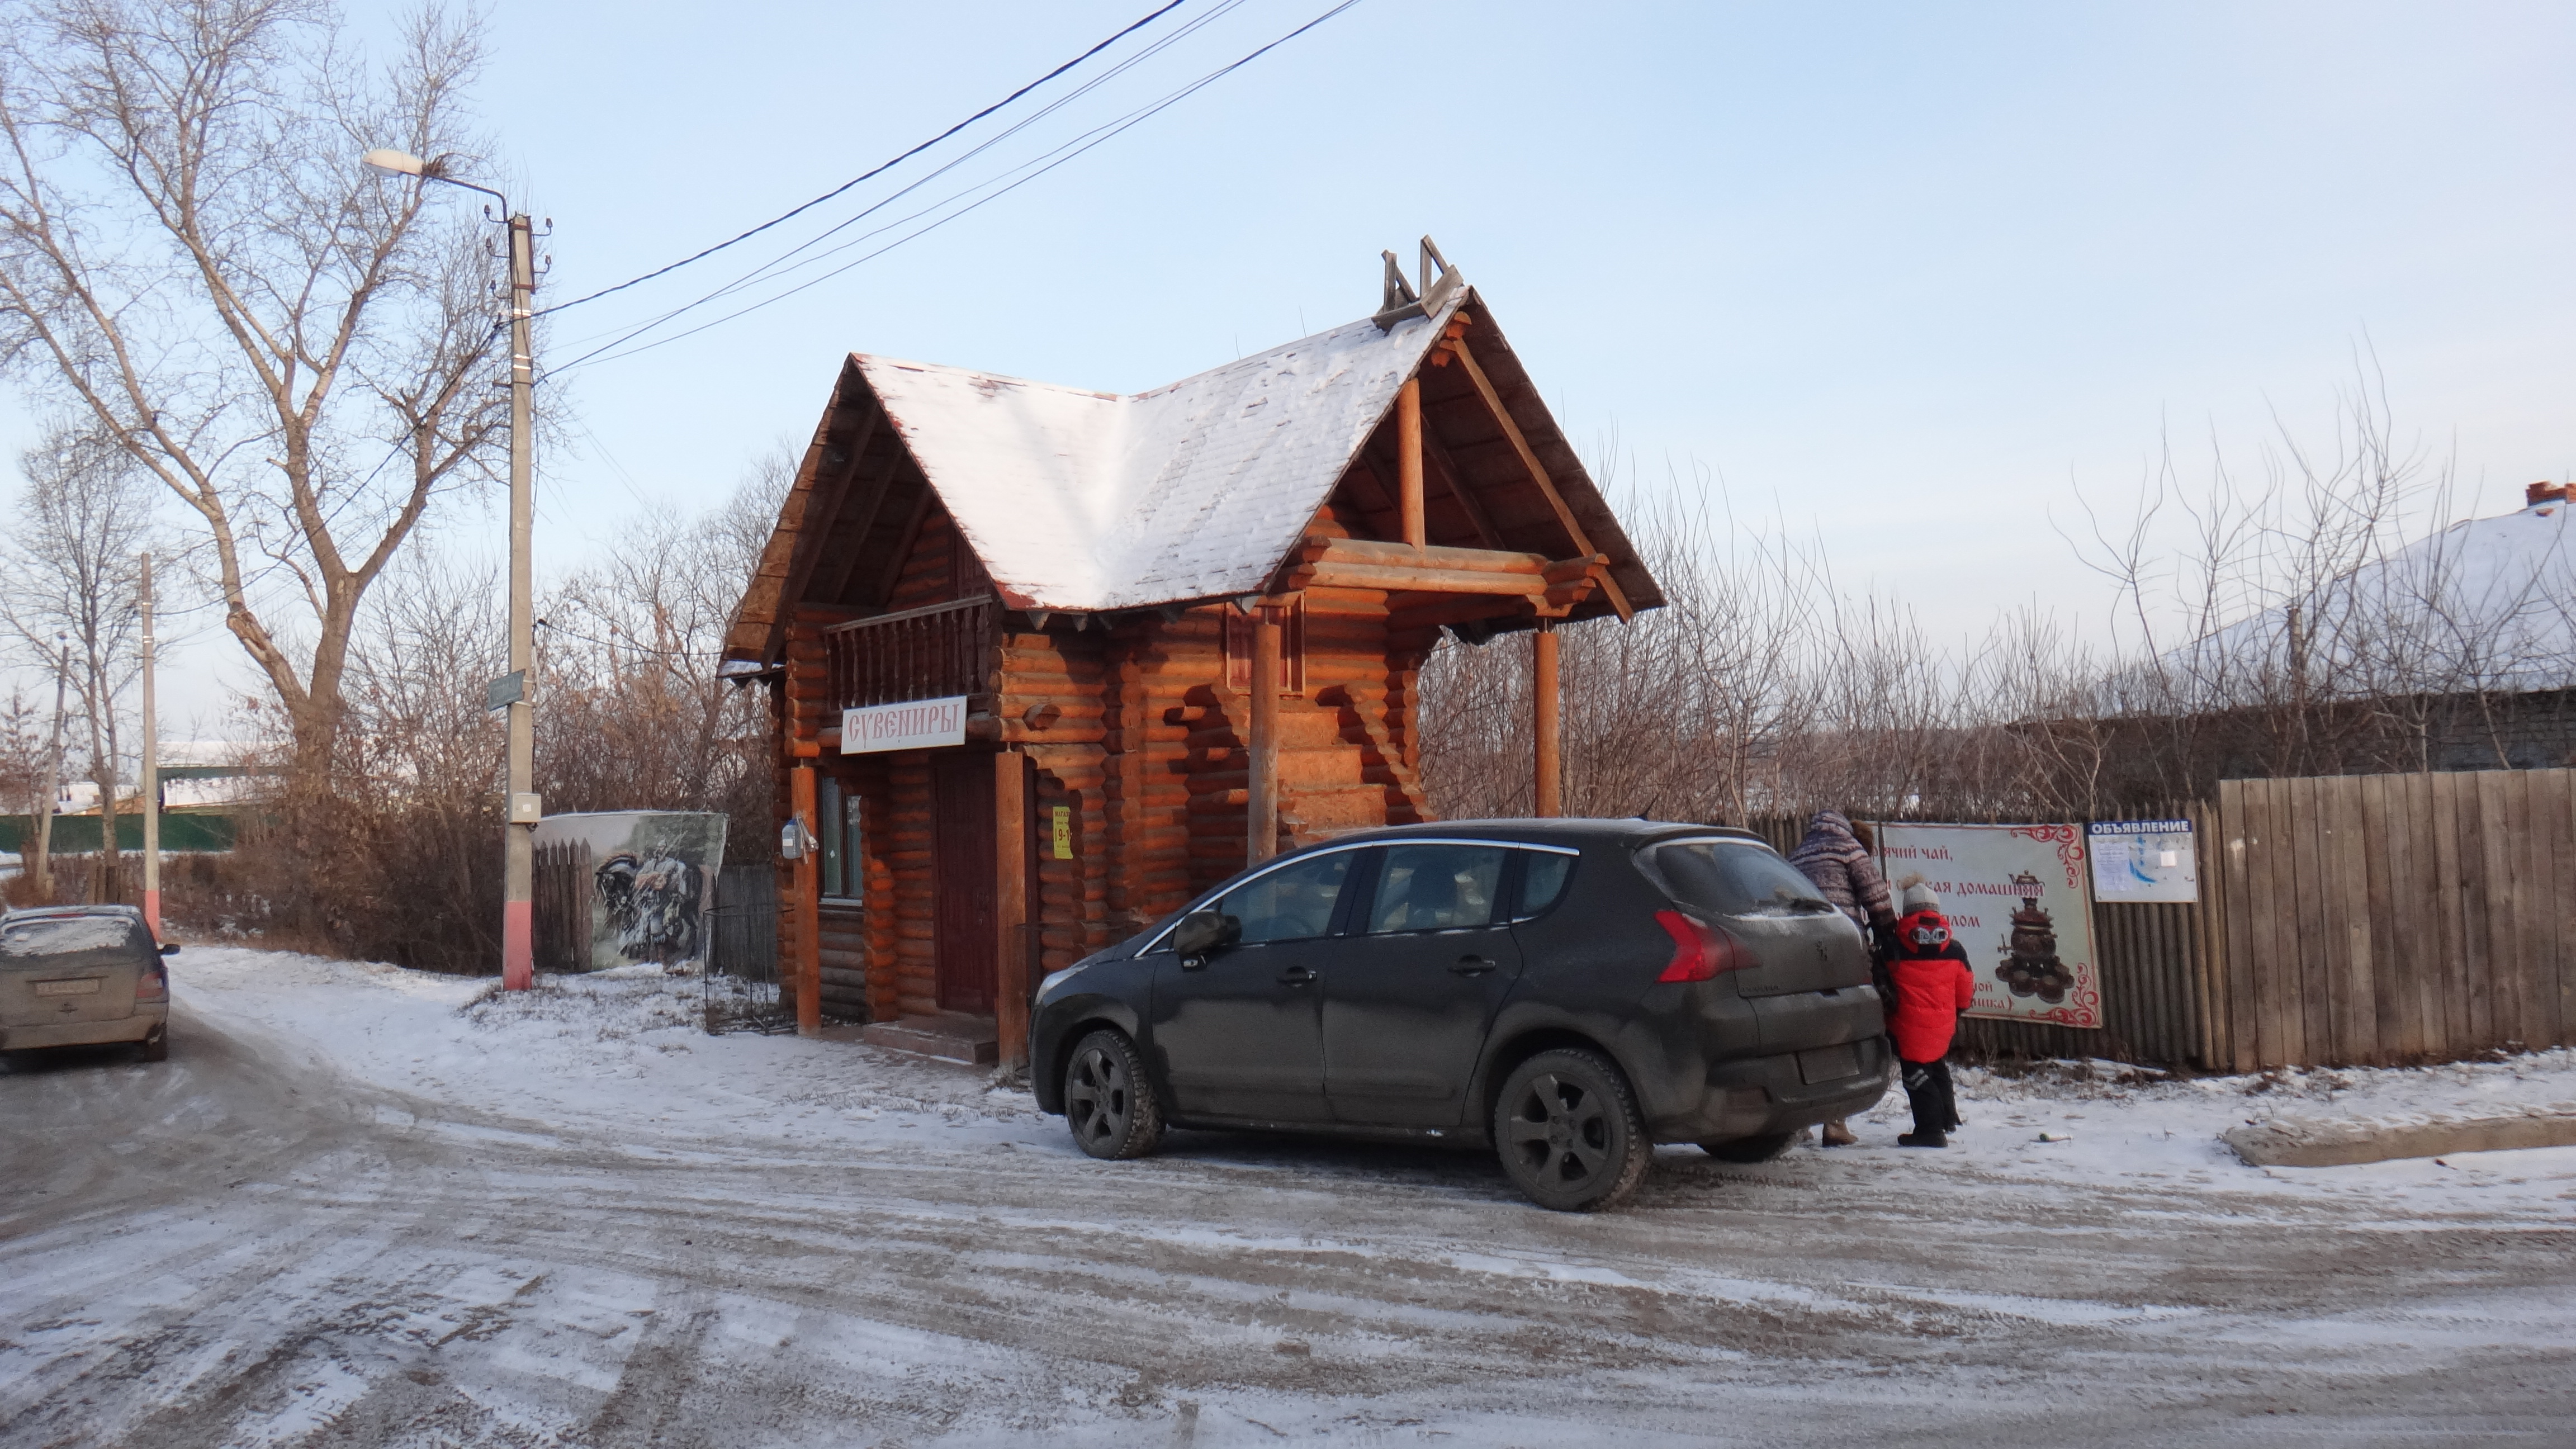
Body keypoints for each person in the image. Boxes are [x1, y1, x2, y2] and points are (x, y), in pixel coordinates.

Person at [1787, 810, 1897, 1147]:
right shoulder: (1848, 848)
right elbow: (1876, 898)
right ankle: (1835, 1122)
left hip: (1799, 951)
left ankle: (1799, 1122)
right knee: (1841, 1032)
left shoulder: (1799, 854)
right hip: (1841, 949)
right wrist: (1888, 938)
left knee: (1807, 1034)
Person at [1887, 881, 1976, 1148]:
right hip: (1943, 1025)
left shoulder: (1894, 948)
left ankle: (1930, 1131)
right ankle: (1948, 1119)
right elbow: (1966, 993)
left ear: (1906, 912)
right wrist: (1953, 1013)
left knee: (1916, 1074)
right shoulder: (1955, 949)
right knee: (1937, 1065)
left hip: (1907, 1026)